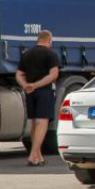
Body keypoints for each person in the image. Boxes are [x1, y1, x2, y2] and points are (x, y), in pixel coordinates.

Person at [16, 30, 60, 167]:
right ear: (49, 40)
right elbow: (53, 75)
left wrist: (26, 85)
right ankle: (32, 155)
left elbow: (19, 74)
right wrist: (36, 85)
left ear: (38, 39)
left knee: (34, 123)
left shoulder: (27, 54)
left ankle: (38, 156)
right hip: (44, 92)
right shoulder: (51, 54)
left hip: (30, 93)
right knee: (42, 122)